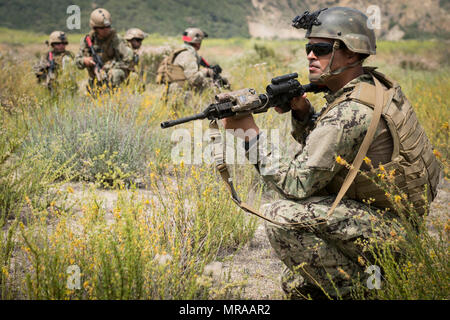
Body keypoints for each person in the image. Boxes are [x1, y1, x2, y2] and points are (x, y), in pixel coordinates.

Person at [221, 7, 441, 299]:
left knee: (279, 216)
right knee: (298, 285)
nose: (311, 55)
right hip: (395, 223)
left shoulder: (351, 110)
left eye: (322, 49)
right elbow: (338, 152)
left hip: (389, 232)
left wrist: (248, 133)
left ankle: (367, 291)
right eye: (309, 48)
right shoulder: (370, 86)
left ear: (351, 53)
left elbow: (297, 184)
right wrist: (304, 114)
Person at [156, 27, 227, 107]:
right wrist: (207, 72)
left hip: (174, 92)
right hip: (180, 94)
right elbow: (193, 78)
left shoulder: (181, 51)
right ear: (197, 42)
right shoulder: (188, 55)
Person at [75, 8, 134, 91]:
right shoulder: (87, 41)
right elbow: (77, 61)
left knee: (115, 74)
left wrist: (109, 66)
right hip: (95, 77)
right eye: (102, 28)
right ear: (95, 28)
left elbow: (128, 60)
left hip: (114, 75)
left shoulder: (116, 39)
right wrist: (85, 61)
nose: (106, 30)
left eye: (108, 27)